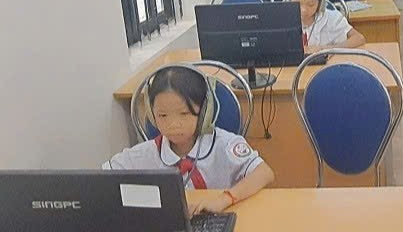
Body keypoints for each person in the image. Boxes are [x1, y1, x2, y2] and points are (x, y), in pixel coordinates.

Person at [104, 66, 275, 215]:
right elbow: (101, 181)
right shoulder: (145, 154)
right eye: (162, 115)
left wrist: (224, 199)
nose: (173, 124)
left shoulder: (224, 144)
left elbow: (264, 173)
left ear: (205, 112)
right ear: (151, 114)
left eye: (184, 113)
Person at [287, 0, 366, 53]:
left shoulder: (333, 18)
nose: (304, 10)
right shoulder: (282, 20)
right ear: (289, 0)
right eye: (297, 4)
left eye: (310, 4)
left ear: (320, 3)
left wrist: (325, 49)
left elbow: (359, 38)